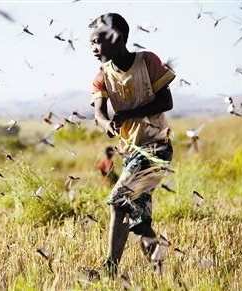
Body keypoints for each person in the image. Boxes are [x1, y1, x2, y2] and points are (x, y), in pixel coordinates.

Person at [88, 13, 175, 275]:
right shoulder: (102, 76)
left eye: (97, 42)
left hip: (156, 147)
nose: (93, 48)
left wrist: (128, 114)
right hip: (130, 152)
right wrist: (108, 124)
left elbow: (166, 102)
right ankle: (161, 273)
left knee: (118, 203)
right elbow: (98, 114)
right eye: (90, 43)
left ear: (118, 38)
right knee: (137, 221)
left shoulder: (147, 61)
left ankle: (109, 269)